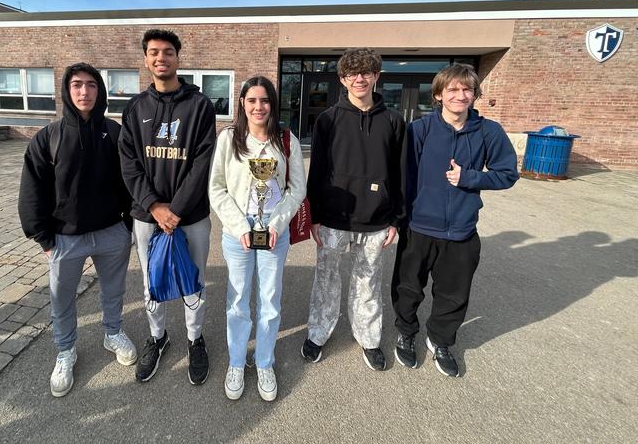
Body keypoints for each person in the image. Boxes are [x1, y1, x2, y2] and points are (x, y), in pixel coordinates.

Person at [391, 63, 518, 377]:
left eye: (467, 89)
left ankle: (440, 340)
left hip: (461, 230)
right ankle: (406, 333)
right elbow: (404, 178)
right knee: (408, 288)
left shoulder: (489, 132)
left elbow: (507, 174)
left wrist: (470, 178)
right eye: (453, 89)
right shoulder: (420, 130)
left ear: (474, 94)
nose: (461, 95)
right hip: (419, 228)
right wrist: (398, 220)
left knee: (453, 293)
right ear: (438, 95)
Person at [18, 62, 136, 398]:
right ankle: (66, 350)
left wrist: (127, 223)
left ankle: (112, 332)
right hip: (65, 239)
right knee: (62, 299)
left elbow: (129, 179)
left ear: (100, 91)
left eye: (91, 85)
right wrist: (42, 236)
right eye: (76, 85)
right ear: (67, 92)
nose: (84, 92)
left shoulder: (114, 133)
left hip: (111, 232)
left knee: (113, 291)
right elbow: (32, 189)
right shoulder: (49, 137)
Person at [119, 29, 216, 385]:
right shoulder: (134, 108)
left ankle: (195, 338)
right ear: (146, 59)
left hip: (191, 217)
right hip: (147, 217)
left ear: (178, 57)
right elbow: (128, 162)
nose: (161, 58)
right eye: (154, 52)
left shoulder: (200, 105)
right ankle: (158, 337)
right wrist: (154, 206)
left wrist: (175, 208)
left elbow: (203, 160)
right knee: (152, 282)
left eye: (168, 52)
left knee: (194, 281)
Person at [302, 48, 406, 370]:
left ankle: (369, 338)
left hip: (376, 221)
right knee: (326, 279)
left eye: (366, 72)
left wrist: (396, 219)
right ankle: (318, 333)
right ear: (342, 78)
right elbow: (317, 170)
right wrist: (315, 216)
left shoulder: (393, 120)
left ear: (376, 76)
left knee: (368, 282)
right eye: (352, 73)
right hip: (333, 218)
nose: (359, 78)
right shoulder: (328, 120)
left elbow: (400, 172)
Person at [208, 76, 306, 402]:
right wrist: (240, 227)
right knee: (237, 301)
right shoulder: (229, 139)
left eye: (264, 100)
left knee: (269, 299)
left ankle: (264, 361)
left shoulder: (286, 139)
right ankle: (237, 361)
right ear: (242, 104)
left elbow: (297, 189)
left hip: (273, 232)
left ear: (272, 104)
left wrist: (277, 222)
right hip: (238, 234)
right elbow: (216, 189)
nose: (258, 107)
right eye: (252, 100)